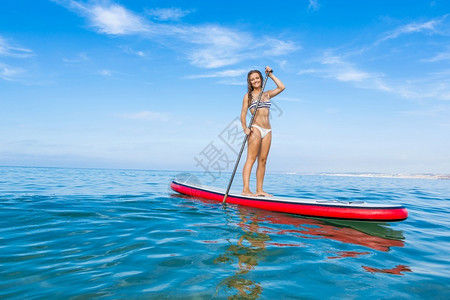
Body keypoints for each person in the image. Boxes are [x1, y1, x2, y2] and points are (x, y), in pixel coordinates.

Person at [240, 66, 285, 196]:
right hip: (255, 129)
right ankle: (246, 189)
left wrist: (270, 75)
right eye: (252, 79)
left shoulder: (267, 94)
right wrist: (245, 128)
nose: (255, 81)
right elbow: (243, 114)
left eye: (257, 78)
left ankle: (259, 190)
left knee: (263, 160)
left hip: (268, 129)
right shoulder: (247, 96)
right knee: (251, 159)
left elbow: (282, 87)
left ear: (261, 78)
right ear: (250, 82)